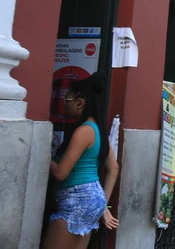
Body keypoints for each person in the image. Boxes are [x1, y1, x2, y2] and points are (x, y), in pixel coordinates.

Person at [42, 73, 119, 249]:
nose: (64, 104)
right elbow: (113, 168)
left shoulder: (84, 131)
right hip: (92, 199)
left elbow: (61, 172)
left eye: (67, 99)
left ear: (80, 102)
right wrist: (102, 205)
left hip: (76, 200)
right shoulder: (98, 130)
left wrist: (41, 152)